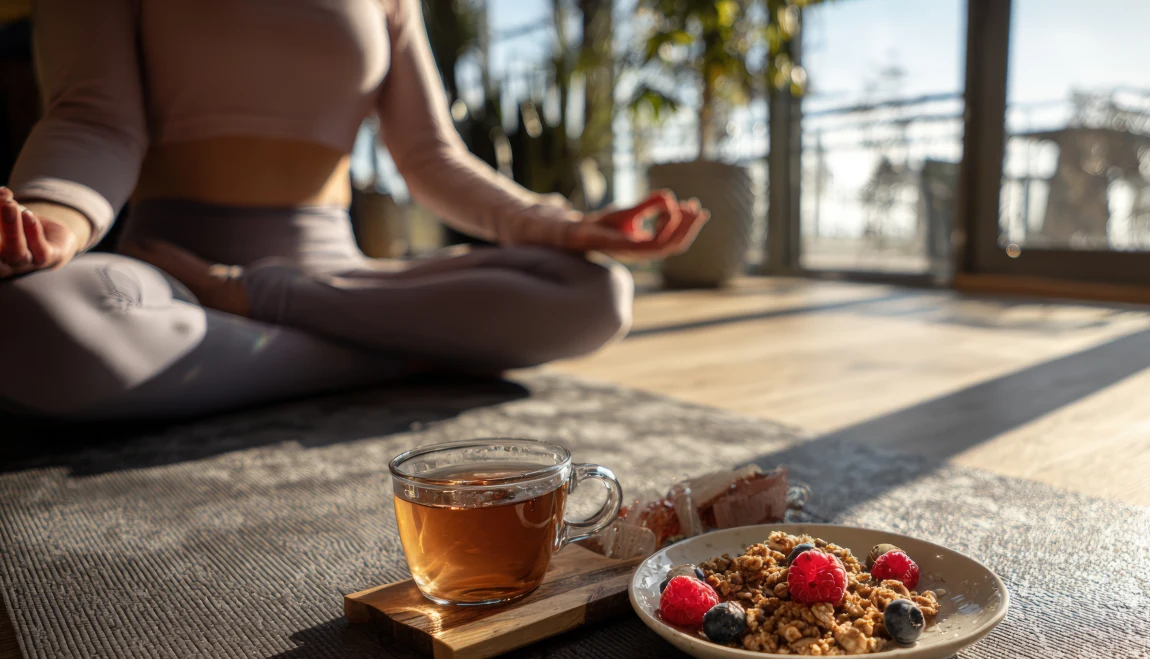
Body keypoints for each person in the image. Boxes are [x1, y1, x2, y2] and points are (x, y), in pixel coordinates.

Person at [0, 0, 707, 420]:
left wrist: (566, 226)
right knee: (31, 322)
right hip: (178, 280)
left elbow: (431, 158)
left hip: (336, 283)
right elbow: (94, 119)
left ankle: (272, 313)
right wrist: (48, 220)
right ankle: (398, 353)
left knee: (595, 292)